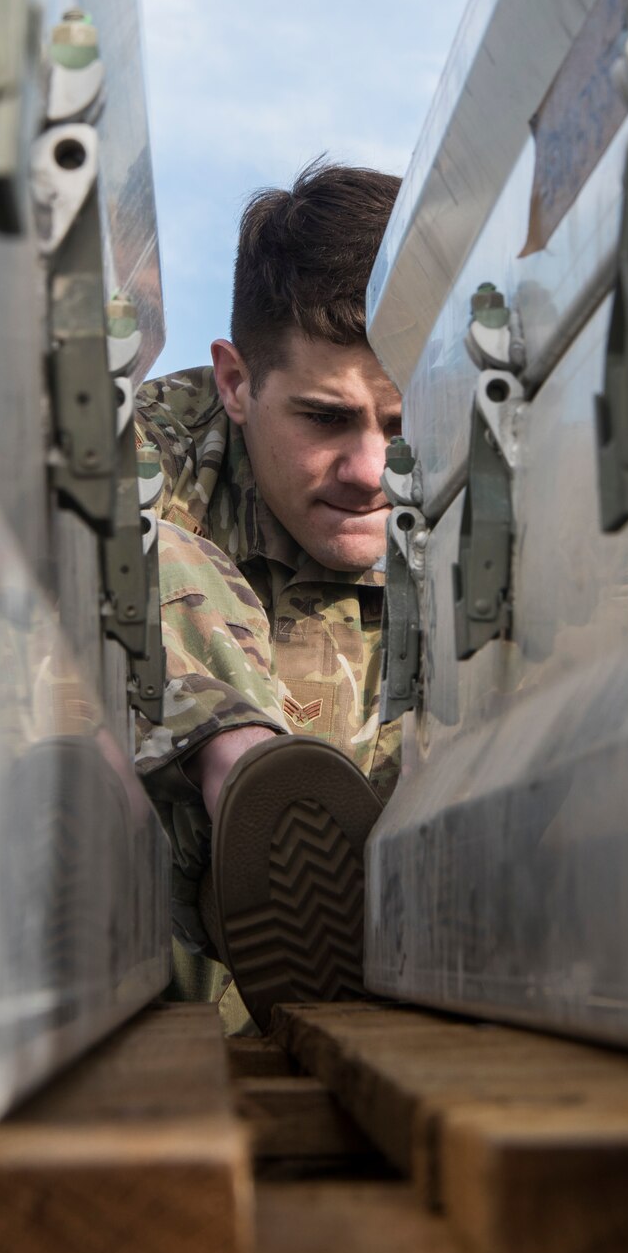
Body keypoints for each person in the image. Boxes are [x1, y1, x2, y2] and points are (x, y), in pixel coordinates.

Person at [133, 160, 404, 1033]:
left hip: (410, 993)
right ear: (236, 383)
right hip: (161, 1000)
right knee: (123, 546)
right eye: (326, 418)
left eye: (401, 425)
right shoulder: (147, 453)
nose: (370, 472)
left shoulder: (484, 491)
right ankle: (246, 775)